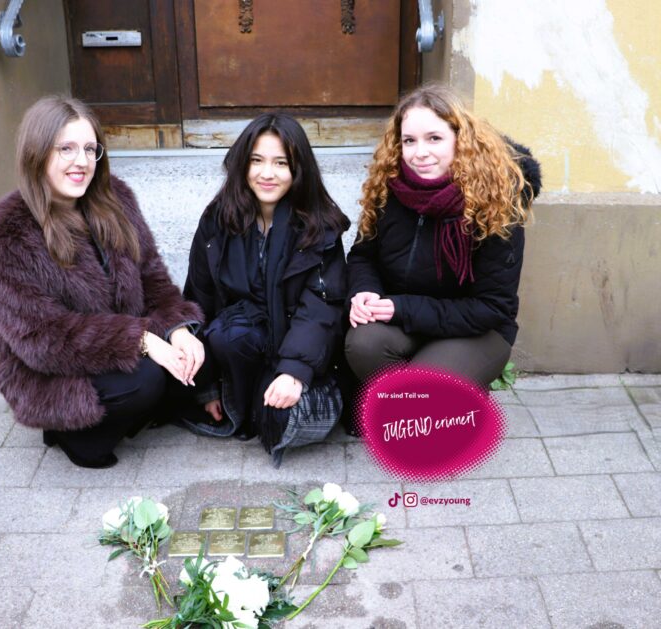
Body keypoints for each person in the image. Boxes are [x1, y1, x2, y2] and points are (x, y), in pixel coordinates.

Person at [0, 96, 204, 468]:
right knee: (145, 379)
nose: (81, 162)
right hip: (51, 370)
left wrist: (177, 331)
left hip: (112, 349)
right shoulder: (3, 235)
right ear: (37, 152)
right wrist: (142, 340)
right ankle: (69, 433)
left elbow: (154, 280)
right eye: (65, 148)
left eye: (89, 149)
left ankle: (140, 408)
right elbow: (43, 339)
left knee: (197, 350)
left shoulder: (117, 201)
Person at [345, 83, 541, 386]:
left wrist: (402, 308)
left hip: (476, 330)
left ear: (461, 141)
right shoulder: (389, 188)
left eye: (434, 138)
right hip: (406, 320)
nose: (419, 153)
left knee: (426, 383)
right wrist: (364, 291)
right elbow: (363, 256)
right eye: (409, 141)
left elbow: (491, 308)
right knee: (364, 344)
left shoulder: (496, 201)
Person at [182, 113, 351, 465]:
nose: (267, 173)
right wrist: (206, 386)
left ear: (299, 169)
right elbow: (199, 298)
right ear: (242, 164)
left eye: (280, 163)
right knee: (230, 334)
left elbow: (321, 309)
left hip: (294, 350)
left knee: (278, 422)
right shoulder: (217, 220)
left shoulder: (319, 227)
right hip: (238, 350)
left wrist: (293, 372)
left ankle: (261, 404)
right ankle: (236, 402)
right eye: (256, 161)